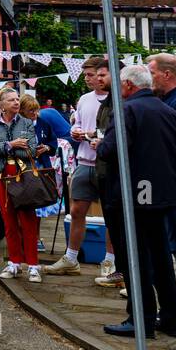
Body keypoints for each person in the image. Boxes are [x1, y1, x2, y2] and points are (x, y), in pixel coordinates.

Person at [99, 64, 176, 339]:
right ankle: (171, 319)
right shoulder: (168, 110)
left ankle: (141, 319)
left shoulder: (127, 110)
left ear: (128, 86)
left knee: (135, 258)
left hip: (133, 194)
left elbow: (110, 150)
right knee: (160, 257)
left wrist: (99, 143)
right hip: (161, 193)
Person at [46, 57, 118, 280]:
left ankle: (110, 261)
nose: (86, 79)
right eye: (85, 75)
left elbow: (112, 133)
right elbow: (76, 123)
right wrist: (76, 130)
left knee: (111, 216)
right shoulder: (84, 99)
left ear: (102, 75)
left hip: (107, 165)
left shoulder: (116, 100)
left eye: (90, 75)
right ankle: (71, 258)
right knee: (76, 212)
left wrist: (86, 135)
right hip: (84, 161)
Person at [145, 53, 176, 323]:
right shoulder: (169, 100)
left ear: (167, 74)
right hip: (169, 183)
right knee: (166, 243)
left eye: (151, 72)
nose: (148, 77)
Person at [0, 86, 47, 282]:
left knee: (27, 219)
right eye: (11, 100)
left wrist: (0, 146)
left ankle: (33, 266)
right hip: (0, 176)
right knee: (8, 220)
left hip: (23, 175)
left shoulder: (27, 123)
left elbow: (31, 149)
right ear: (1, 105)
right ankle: (14, 262)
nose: (16, 102)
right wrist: (11, 144)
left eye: (17, 99)